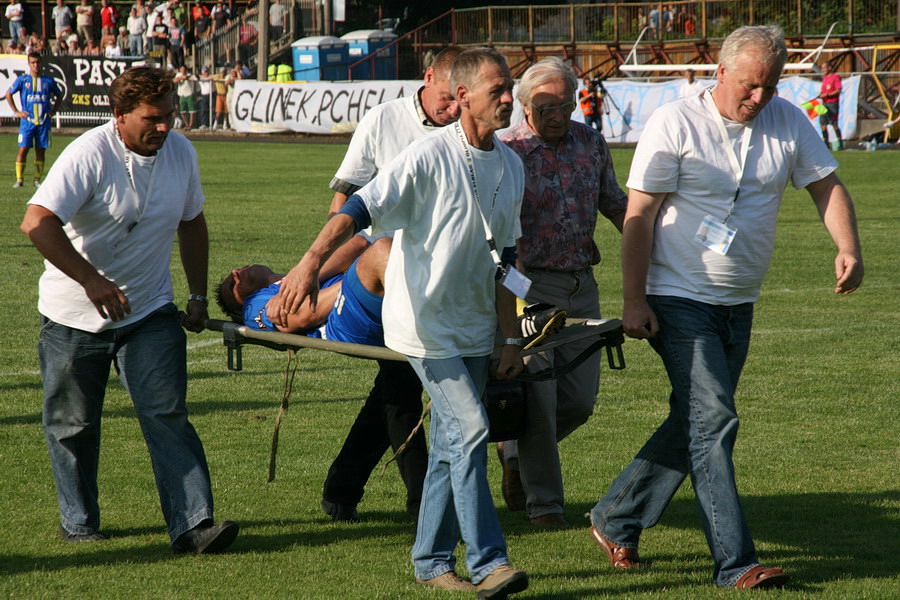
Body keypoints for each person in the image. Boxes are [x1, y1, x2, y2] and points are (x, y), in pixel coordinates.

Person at [588, 26, 863, 589]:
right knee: (714, 420)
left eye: (769, 86)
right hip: (677, 295)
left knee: (695, 421)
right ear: (720, 71)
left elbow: (826, 186)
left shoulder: (786, 119)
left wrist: (848, 248)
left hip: (740, 301)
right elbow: (638, 215)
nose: (758, 98)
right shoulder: (675, 123)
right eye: (749, 85)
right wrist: (634, 299)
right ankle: (736, 563)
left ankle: (616, 516)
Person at [274, 47, 529, 599]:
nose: (510, 97)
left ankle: (431, 560)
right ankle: (489, 563)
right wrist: (310, 262)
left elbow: (505, 261)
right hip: (423, 328)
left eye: (510, 87)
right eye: (497, 90)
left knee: (447, 447)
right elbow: (358, 209)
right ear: (463, 97)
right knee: (474, 428)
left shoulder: (512, 165)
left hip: (475, 328)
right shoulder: (427, 157)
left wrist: (509, 334)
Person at [19, 66, 240, 554]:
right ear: (118, 116)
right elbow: (36, 223)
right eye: (152, 118)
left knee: (167, 415)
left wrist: (198, 295)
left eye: (170, 116)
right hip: (73, 316)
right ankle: (79, 524)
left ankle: (193, 526)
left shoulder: (181, 151)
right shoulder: (88, 154)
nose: (165, 127)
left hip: (150, 310)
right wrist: (91, 280)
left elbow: (192, 221)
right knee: (73, 425)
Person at [320, 45, 463, 523]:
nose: (453, 109)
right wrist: (321, 268)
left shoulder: (468, 128)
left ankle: (346, 487)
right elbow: (346, 197)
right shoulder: (384, 120)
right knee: (405, 382)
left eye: (460, 99)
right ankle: (423, 502)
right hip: (387, 277)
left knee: (398, 383)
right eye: (446, 98)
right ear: (427, 78)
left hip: (451, 277)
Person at [498, 57, 626, 528]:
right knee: (542, 398)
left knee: (578, 402)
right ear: (525, 105)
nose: (557, 114)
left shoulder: (590, 143)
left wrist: (653, 238)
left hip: (582, 284)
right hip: (528, 287)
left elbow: (614, 202)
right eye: (545, 106)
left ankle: (513, 451)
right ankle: (545, 506)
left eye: (565, 105)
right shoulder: (504, 150)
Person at [216, 238, 391, 348]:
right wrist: (355, 279)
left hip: (364, 293)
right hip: (347, 322)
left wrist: (306, 275)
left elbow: (357, 244)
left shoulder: (299, 274)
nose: (234, 272)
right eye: (232, 285)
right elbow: (301, 316)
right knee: (380, 251)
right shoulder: (253, 306)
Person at [6, 52, 64, 189]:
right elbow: (9, 94)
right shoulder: (23, 80)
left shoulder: (48, 81)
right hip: (27, 122)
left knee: (40, 151)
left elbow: (59, 95)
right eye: (33, 63)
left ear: (41, 63)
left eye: (38, 62)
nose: (36, 65)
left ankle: (37, 180)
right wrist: (16, 112)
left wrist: (53, 111)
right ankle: (19, 180)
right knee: (23, 149)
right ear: (29, 64)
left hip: (43, 122)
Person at [818, 61, 844, 150]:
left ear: (830, 68)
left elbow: (838, 90)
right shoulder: (824, 78)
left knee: (834, 124)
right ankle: (826, 145)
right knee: (822, 124)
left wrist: (828, 95)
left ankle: (840, 144)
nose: (823, 70)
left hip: (832, 103)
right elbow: (823, 90)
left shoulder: (835, 77)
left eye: (824, 68)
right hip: (824, 103)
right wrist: (821, 94)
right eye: (822, 68)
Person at [174, 65, 197, 129]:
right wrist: (182, 78)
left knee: (192, 111)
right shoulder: (178, 75)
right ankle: (186, 124)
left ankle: (190, 125)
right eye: (182, 69)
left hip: (189, 94)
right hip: (182, 95)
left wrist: (187, 77)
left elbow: (195, 78)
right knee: (182, 112)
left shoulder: (189, 74)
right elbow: (175, 81)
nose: (183, 70)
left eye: (184, 69)